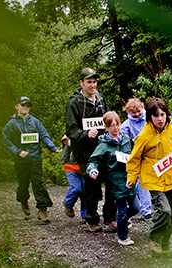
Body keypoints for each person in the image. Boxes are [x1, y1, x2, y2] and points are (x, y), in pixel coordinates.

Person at [125, 98, 172, 255]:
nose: (160, 119)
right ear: (149, 117)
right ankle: (154, 239)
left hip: (170, 178)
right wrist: (131, 178)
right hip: (153, 179)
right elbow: (134, 159)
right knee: (164, 210)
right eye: (156, 115)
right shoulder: (144, 136)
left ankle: (165, 242)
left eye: (162, 114)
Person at [65, 67, 116, 232]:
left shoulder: (100, 99)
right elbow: (71, 131)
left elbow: (107, 120)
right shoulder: (74, 103)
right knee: (92, 184)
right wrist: (86, 134)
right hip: (86, 151)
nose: (93, 85)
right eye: (89, 82)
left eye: (94, 82)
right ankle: (92, 218)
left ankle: (110, 217)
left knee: (111, 181)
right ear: (81, 83)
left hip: (104, 148)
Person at [2, 96, 61, 224]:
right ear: (17, 106)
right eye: (23, 105)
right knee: (23, 184)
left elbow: (43, 135)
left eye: (28, 106)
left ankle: (42, 209)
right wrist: (18, 151)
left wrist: (52, 147)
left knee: (39, 183)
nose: (26, 108)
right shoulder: (12, 124)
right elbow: (6, 141)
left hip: (35, 159)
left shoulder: (34, 122)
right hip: (20, 161)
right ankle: (23, 200)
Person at [87, 111, 139, 246]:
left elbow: (137, 155)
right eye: (111, 126)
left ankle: (121, 222)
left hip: (129, 180)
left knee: (135, 208)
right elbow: (93, 160)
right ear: (106, 127)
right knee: (121, 210)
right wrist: (93, 169)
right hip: (115, 182)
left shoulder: (127, 140)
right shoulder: (104, 145)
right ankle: (123, 236)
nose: (115, 128)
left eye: (117, 125)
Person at [120, 98, 152, 220]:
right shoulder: (126, 125)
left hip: (149, 154)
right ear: (128, 112)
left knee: (146, 182)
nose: (137, 114)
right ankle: (145, 210)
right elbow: (123, 140)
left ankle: (146, 207)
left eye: (139, 111)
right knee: (140, 182)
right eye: (134, 113)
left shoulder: (148, 120)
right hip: (135, 156)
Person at [60, 135, 87, 222]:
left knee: (86, 191)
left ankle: (85, 215)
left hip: (85, 167)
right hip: (70, 165)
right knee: (76, 188)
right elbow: (68, 141)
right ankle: (68, 203)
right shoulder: (70, 132)